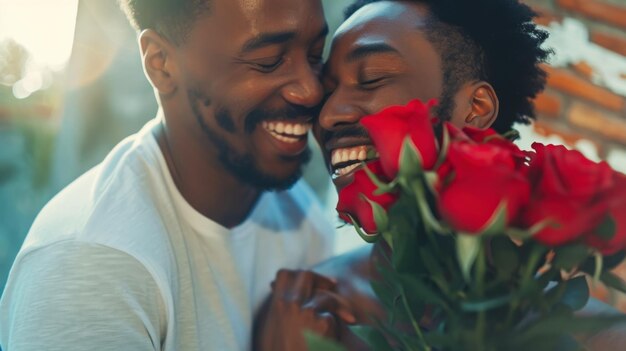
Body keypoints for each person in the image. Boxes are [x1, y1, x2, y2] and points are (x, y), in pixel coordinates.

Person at [257, 0, 625, 350]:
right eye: (328, 90)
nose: (327, 116)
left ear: (476, 108)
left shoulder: (600, 340)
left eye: (371, 78)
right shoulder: (304, 311)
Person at [0, 0, 338, 350]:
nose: (311, 89)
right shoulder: (90, 263)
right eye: (267, 61)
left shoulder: (301, 218)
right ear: (161, 64)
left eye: (315, 54)